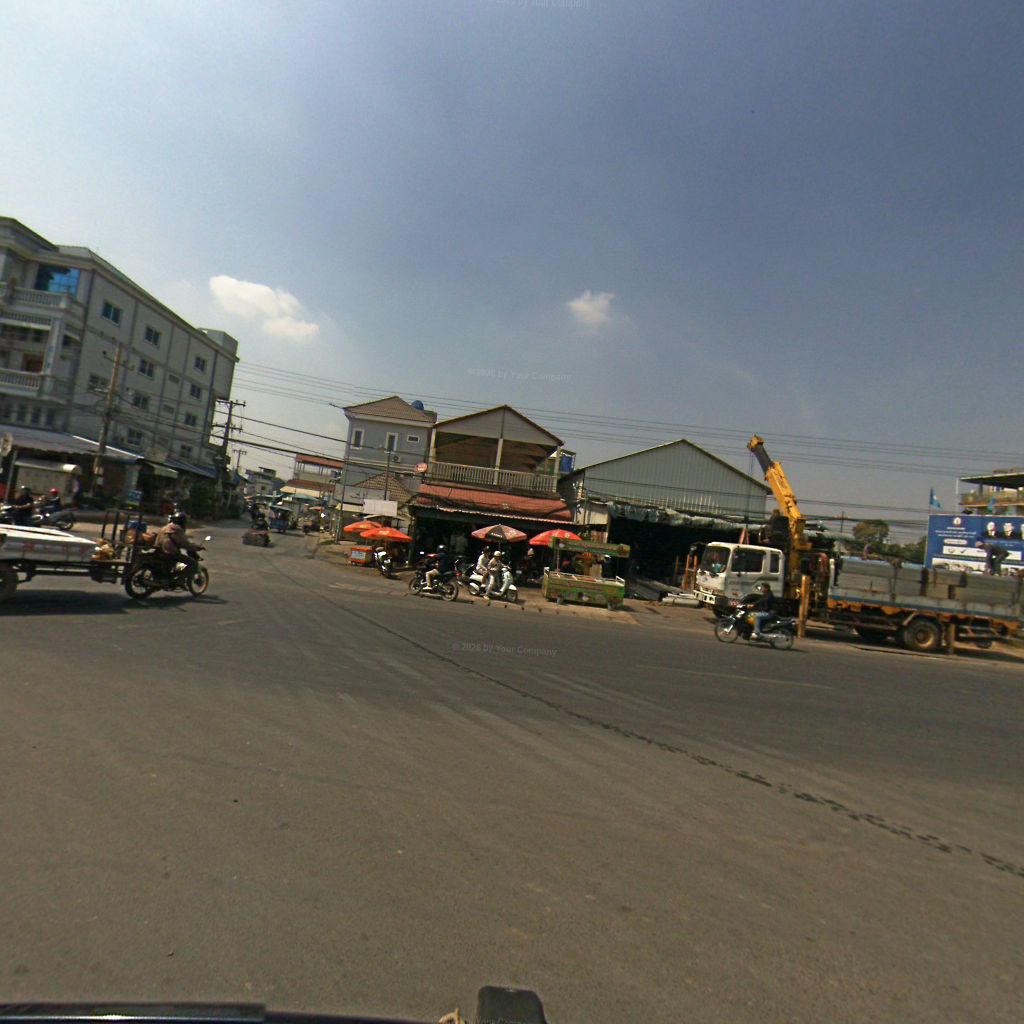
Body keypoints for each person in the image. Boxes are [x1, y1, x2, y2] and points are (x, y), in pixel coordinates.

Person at [156, 511, 202, 581]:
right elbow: (185, 544)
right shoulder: (177, 529)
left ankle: (173, 575)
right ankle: (178, 578)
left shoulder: (164, 528)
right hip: (171, 554)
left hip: (159, 553)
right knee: (192, 563)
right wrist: (197, 547)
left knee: (179, 562)